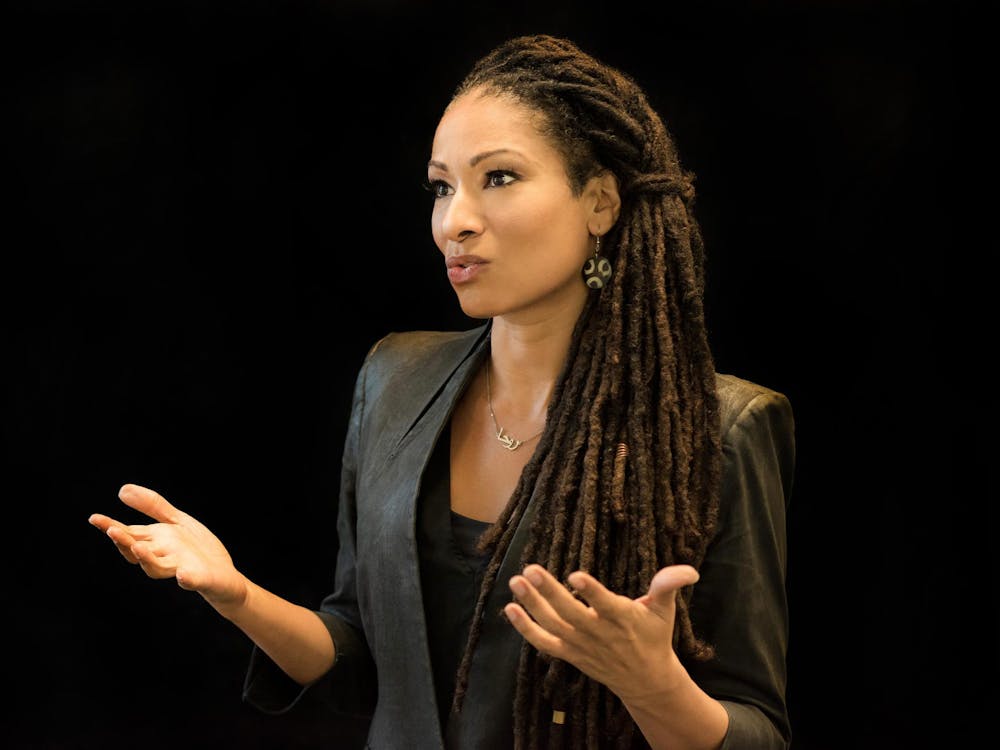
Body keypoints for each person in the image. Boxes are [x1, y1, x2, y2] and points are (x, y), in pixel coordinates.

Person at [89, 34, 795, 750]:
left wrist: (654, 686)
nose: (454, 221)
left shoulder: (723, 430)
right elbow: (359, 657)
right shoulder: (394, 380)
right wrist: (234, 594)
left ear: (601, 203)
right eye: (441, 186)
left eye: (498, 178)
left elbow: (756, 732)